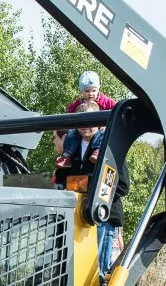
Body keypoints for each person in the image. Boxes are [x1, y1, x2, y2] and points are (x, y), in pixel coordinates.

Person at [54, 106, 130, 276]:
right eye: (82, 121)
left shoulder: (109, 149)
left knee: (97, 272)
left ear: (99, 123)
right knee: (75, 271)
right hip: (77, 216)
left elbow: (122, 185)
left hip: (102, 217)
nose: (85, 126)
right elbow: (61, 178)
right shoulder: (71, 148)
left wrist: (91, 189)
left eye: (90, 121)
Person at [55, 70, 117, 154]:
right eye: (87, 91)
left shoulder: (106, 102)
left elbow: (117, 112)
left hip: (99, 130)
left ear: (98, 89)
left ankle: (97, 150)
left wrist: (107, 125)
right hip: (82, 133)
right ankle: (67, 154)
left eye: (94, 91)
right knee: (72, 133)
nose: (90, 94)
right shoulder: (78, 104)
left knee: (102, 132)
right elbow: (68, 115)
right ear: (81, 91)